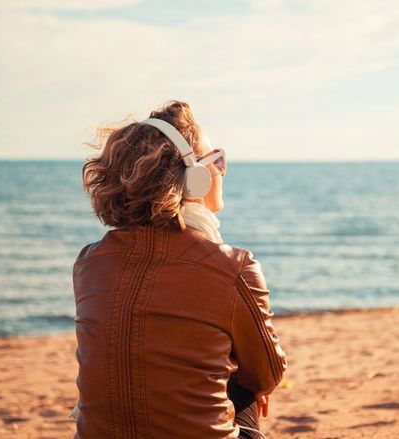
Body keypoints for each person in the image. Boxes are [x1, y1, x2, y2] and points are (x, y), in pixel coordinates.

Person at [71, 100, 287, 438]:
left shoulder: (89, 262)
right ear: (195, 178)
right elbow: (268, 374)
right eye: (216, 160)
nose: (221, 169)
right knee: (243, 384)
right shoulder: (231, 266)